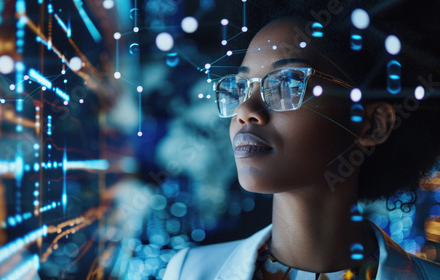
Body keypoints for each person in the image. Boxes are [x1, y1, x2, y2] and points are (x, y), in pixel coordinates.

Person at [163, 1, 440, 279]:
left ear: (372, 125)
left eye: (287, 83)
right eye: (239, 87)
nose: (246, 111)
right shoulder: (188, 272)